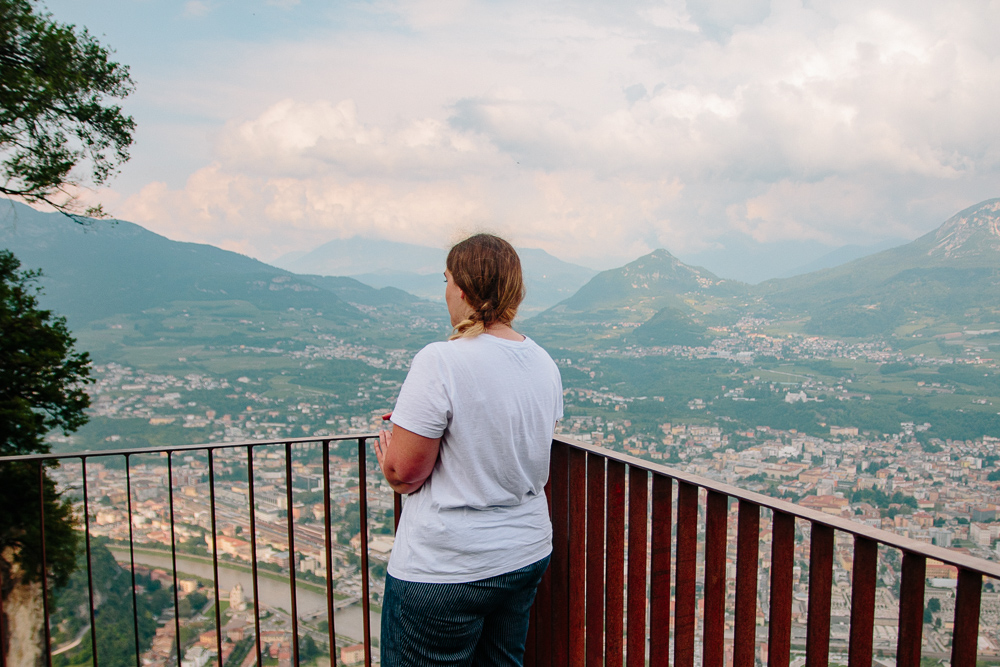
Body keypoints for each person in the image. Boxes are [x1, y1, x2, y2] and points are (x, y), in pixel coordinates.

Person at [373, 233, 563, 667]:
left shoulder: (441, 360)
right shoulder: (542, 362)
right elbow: (512, 439)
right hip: (524, 553)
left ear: (461, 289)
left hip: (447, 566)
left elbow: (404, 475)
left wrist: (394, 452)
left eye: (446, 280)